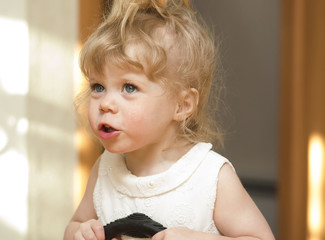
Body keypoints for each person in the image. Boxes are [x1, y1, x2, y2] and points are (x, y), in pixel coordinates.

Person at [64, 0, 275, 239]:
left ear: (182, 105)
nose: (105, 103)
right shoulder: (105, 168)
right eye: (98, 86)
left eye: (129, 87)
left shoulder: (210, 176)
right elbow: (76, 224)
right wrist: (79, 232)